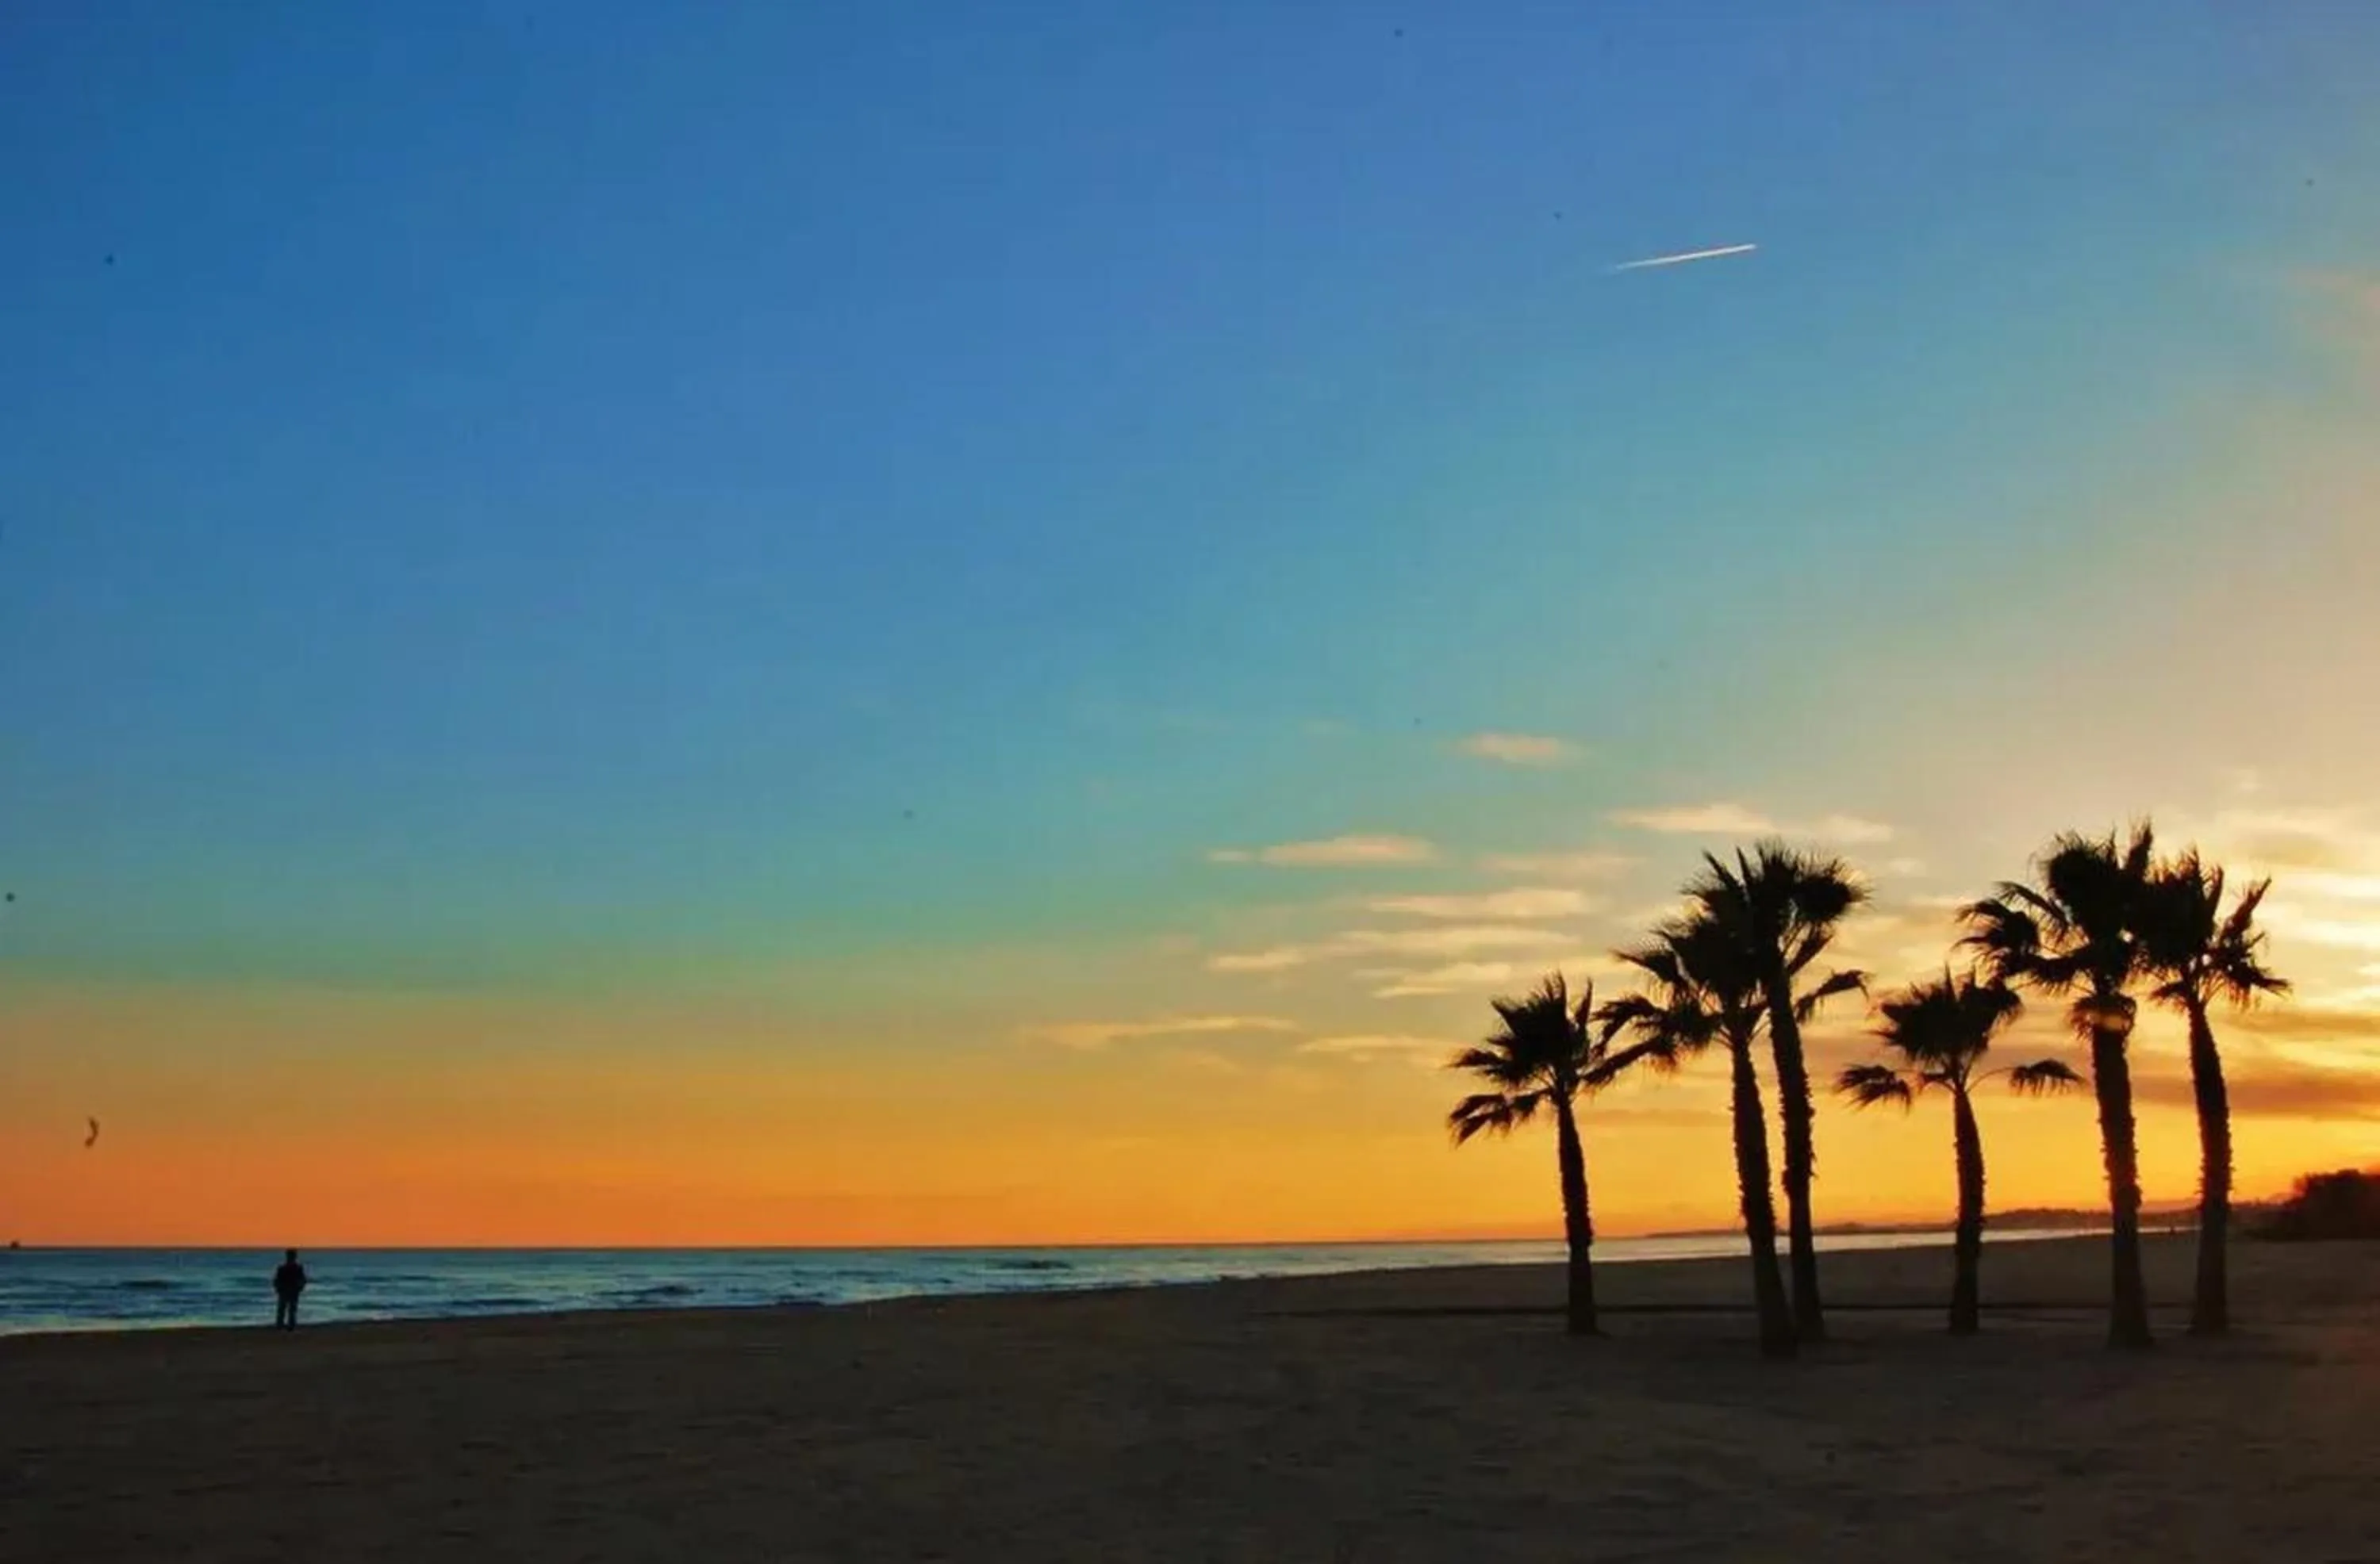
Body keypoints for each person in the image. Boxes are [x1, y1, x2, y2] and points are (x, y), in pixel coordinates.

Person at [273, 1248, 308, 1330]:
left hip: (290, 1290)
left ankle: (284, 1325)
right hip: (288, 1290)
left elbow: (302, 1280)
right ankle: (285, 1325)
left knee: (287, 1309)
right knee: (287, 1309)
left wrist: (300, 1287)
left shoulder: (293, 1268)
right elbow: (277, 1280)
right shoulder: (285, 1268)